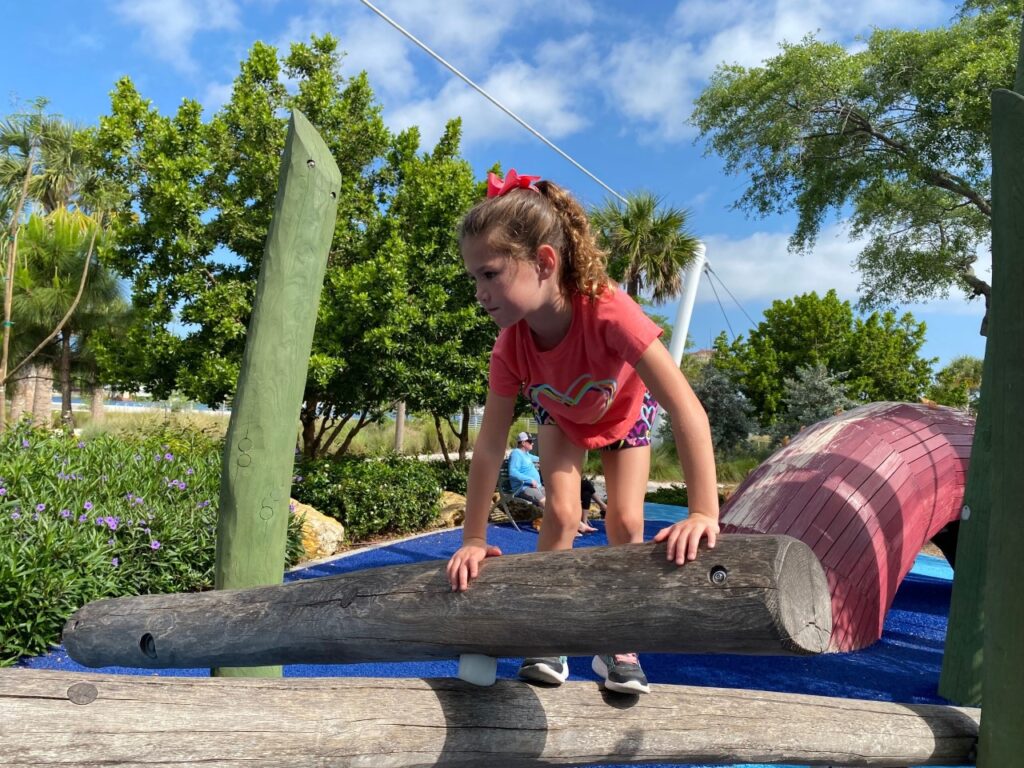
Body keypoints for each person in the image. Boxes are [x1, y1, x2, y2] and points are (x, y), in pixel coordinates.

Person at [445, 169, 720, 695]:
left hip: (623, 414)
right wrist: (474, 538)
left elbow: (687, 409)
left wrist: (704, 511)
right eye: (474, 278)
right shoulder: (511, 347)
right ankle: (548, 631)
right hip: (563, 418)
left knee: (624, 520)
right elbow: (489, 448)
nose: (479, 292)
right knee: (564, 513)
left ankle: (619, 639)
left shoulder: (611, 311)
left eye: (490, 274)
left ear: (544, 262)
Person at [508, 431, 545, 509]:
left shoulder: (526, 454)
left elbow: (540, 459)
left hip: (537, 486)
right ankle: (550, 520)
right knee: (544, 501)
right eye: (530, 441)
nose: (532, 443)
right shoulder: (516, 454)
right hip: (523, 488)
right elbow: (513, 472)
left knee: (555, 498)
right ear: (524, 443)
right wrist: (530, 480)